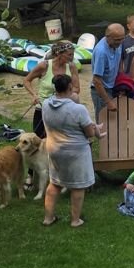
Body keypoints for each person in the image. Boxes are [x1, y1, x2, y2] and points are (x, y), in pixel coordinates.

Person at [41, 74, 103, 228]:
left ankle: (48, 218)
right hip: (75, 152)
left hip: (54, 149)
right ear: (69, 87)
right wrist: (95, 129)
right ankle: (75, 220)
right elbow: (89, 133)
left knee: (54, 183)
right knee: (77, 186)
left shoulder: (45, 104)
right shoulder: (78, 109)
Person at [23, 40, 79, 138]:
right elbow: (26, 80)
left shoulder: (71, 66)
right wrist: (34, 95)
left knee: (62, 140)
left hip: (64, 108)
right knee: (40, 139)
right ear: (59, 53)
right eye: (69, 55)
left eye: (73, 54)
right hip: (43, 108)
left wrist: (64, 96)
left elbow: (76, 88)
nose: (72, 57)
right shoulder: (44, 66)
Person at [90, 23, 125, 119]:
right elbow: (96, 80)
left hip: (113, 87)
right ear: (108, 37)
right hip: (101, 91)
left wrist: (121, 83)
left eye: (122, 38)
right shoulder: (101, 52)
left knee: (114, 121)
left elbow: (119, 62)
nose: (120, 42)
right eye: (117, 40)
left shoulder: (117, 44)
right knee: (104, 122)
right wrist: (108, 102)